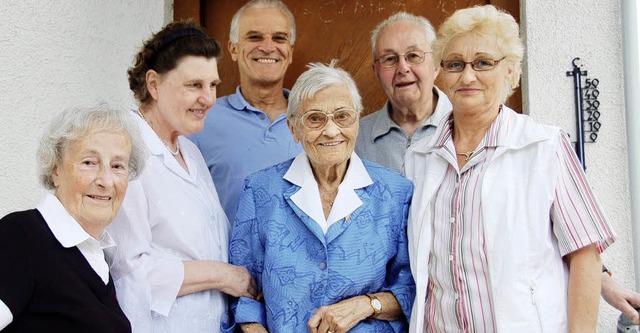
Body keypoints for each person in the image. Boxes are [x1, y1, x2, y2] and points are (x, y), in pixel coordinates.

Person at [358, 10, 640, 325]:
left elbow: (585, 256)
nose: (467, 77)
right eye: (454, 64)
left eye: (483, 63)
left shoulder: (544, 147)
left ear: (509, 70)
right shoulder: (422, 156)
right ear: (441, 72)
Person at [228, 62, 415, 333]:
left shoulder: (396, 194)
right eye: (315, 119)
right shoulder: (260, 191)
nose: (330, 131)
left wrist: (366, 305)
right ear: (293, 128)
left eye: (342, 116)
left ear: (357, 121)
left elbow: (411, 287)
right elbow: (243, 285)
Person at [106, 20, 256, 332]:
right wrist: (224, 275)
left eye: (213, 85)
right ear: (153, 84)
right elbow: (129, 271)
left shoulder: (190, 151)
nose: (209, 99)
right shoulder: (123, 148)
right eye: (194, 85)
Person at [0, 105, 146, 332]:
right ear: (55, 169)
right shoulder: (20, 237)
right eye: (89, 163)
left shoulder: (94, 254)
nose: (106, 181)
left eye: (117, 166)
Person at [189, 0, 302, 223]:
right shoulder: (202, 119)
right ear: (233, 49)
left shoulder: (315, 121)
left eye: (279, 38)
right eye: (254, 37)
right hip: (225, 258)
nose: (268, 47)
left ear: (290, 52)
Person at [355, 12, 451, 175]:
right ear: (376, 72)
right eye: (390, 59)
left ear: (436, 64)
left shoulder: (467, 127)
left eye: (413, 56)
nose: (403, 68)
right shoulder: (357, 138)